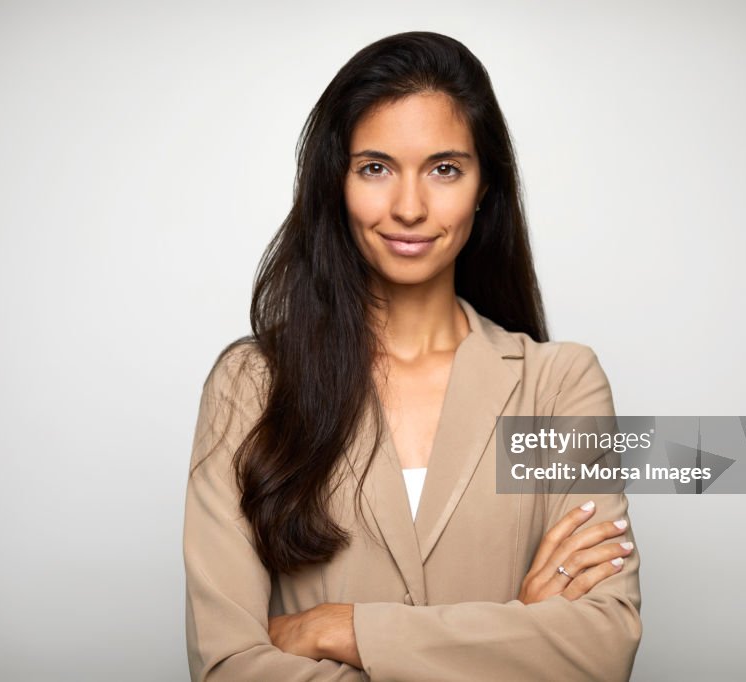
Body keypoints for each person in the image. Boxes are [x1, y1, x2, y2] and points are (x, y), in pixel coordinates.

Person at [183, 31, 641, 681]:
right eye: (376, 167)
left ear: (485, 187)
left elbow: (601, 645)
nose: (409, 207)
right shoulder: (253, 385)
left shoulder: (559, 384)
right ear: (335, 182)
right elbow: (229, 666)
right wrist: (512, 633)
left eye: (444, 169)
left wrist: (343, 628)